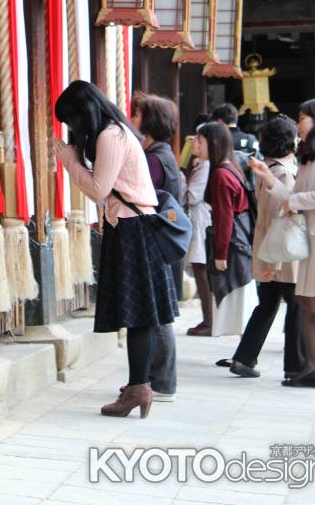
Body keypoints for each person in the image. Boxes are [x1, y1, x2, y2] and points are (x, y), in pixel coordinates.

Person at [54, 80, 178, 419]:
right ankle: (139, 386)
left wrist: (68, 160)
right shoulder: (119, 132)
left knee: (139, 316)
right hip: (132, 226)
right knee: (139, 316)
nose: (71, 129)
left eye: (71, 121)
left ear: (83, 114)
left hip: (131, 228)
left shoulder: (111, 135)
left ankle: (139, 387)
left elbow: (98, 188)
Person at [250, 99, 315, 387]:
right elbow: (291, 195)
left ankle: (309, 367)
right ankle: (309, 368)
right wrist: (267, 176)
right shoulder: (310, 156)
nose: (298, 124)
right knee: (306, 303)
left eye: (302, 117)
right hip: (309, 241)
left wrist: (292, 202)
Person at [221, 115, 306, 380]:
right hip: (282, 251)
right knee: (294, 306)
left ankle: (244, 358)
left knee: (268, 304)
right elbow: (281, 218)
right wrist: (274, 261)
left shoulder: (270, 168)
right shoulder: (281, 172)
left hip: (270, 248)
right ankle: (294, 365)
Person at [131, 94, 181, 402]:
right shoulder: (161, 154)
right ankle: (156, 380)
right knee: (157, 311)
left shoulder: (154, 159)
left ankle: (162, 382)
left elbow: (141, 196)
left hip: (153, 241)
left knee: (157, 313)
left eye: (136, 114)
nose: (132, 119)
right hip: (159, 241)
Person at [196, 121, 258, 338]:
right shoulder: (231, 167)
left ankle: (244, 354)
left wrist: (220, 253)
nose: (196, 145)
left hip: (232, 245)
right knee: (243, 300)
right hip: (240, 242)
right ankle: (243, 354)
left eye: (200, 141)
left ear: (212, 143)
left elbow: (224, 218)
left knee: (238, 302)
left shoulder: (220, 175)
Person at [183, 128, 213, 336]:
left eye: (199, 142)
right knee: (200, 269)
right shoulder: (201, 165)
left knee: (201, 269)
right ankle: (209, 318)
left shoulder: (205, 166)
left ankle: (209, 320)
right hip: (199, 217)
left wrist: (181, 179)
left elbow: (192, 196)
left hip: (201, 218)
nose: (194, 144)